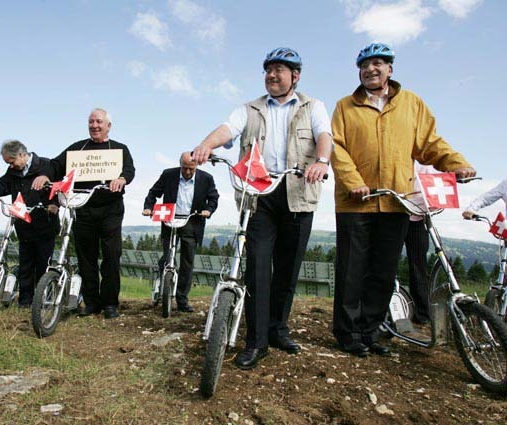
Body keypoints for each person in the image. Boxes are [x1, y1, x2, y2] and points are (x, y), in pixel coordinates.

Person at [331, 42, 476, 357]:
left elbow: (430, 143)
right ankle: (347, 333)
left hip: (398, 201)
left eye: (378, 63)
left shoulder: (411, 103)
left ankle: (370, 331)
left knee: (383, 272)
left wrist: (457, 164)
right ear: (359, 71)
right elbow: (336, 148)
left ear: (390, 69)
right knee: (351, 270)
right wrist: (354, 183)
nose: (371, 69)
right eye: (365, 64)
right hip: (355, 202)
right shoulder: (345, 106)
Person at [192, 47, 333, 370]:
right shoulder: (250, 109)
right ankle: (256, 341)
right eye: (268, 69)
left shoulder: (313, 106)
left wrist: (321, 161)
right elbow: (227, 129)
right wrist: (205, 145)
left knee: (287, 268)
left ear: (295, 76)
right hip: (258, 195)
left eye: (279, 70)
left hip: (297, 192)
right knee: (257, 266)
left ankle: (277, 329)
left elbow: (324, 136)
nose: (272, 75)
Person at [33, 108, 135, 319]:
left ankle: (110, 304)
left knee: (111, 256)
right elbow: (55, 164)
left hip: (110, 210)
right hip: (82, 208)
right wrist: (44, 175)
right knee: (86, 257)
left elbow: (129, 169)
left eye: (99, 122)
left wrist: (122, 179)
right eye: (91, 122)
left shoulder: (119, 149)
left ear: (108, 126)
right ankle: (91, 303)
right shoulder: (77, 149)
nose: (94, 125)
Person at [0, 140, 60, 308]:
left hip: (45, 224)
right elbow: (3, 183)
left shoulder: (46, 165)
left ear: (22, 155)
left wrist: (55, 204)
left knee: (43, 263)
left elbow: (60, 186)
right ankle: (25, 301)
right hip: (24, 225)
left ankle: (42, 301)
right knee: (26, 265)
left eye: (12, 162)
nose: (11, 166)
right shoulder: (13, 172)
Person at [142, 152, 219, 312]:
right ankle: (162, 288)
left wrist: (208, 210)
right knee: (167, 256)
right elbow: (153, 192)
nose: (187, 172)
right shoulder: (168, 174)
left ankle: (182, 300)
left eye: (191, 169)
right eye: (184, 168)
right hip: (170, 219)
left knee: (187, 261)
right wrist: (149, 207)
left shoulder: (206, 178)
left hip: (192, 221)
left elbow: (213, 198)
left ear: (196, 166)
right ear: (180, 165)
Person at [404, 163, 437, 325]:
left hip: (418, 218)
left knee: (419, 266)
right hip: (394, 215)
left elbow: (434, 184)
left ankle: (422, 313)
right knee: (385, 265)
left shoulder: (426, 163)